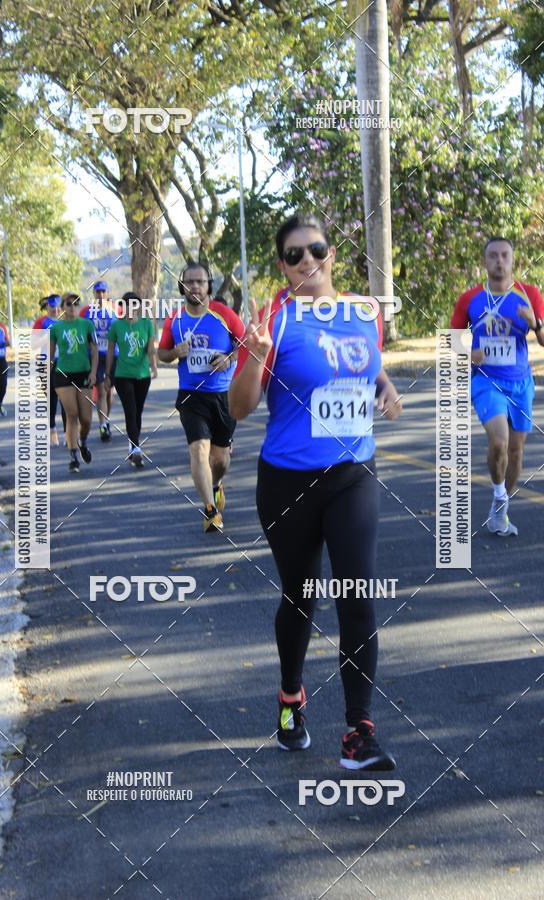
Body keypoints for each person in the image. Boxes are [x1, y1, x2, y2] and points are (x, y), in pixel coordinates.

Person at [229, 213, 402, 769]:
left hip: (353, 474)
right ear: (282, 266)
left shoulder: (361, 313)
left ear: (332, 255)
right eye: (295, 255)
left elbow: (365, 365)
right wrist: (253, 358)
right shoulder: (273, 321)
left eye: (317, 250)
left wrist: (386, 387)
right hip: (287, 483)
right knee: (300, 596)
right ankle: (289, 696)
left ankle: (360, 731)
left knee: (357, 594)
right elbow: (239, 408)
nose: (309, 262)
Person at [451, 237, 544, 536]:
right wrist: (468, 353)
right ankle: (499, 494)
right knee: (500, 442)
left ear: (513, 260)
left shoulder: (529, 294)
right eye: (493, 256)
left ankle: (500, 506)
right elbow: (451, 339)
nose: (499, 261)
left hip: (520, 383)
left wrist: (537, 325)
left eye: (505, 256)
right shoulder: (470, 298)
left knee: (515, 454)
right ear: (485, 261)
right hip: (486, 381)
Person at [158, 262, 245, 532]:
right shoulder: (175, 319)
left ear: (209, 285)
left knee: (220, 460)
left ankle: (216, 484)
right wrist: (175, 353)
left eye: (200, 282)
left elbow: (244, 344)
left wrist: (228, 358)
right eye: (190, 282)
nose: (195, 286)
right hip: (191, 396)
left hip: (223, 395)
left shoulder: (224, 315)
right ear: (183, 285)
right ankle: (210, 510)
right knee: (198, 450)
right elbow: (161, 353)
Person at [106, 292, 157, 468]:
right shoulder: (116, 326)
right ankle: (136, 449)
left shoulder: (146, 324)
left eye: (134, 304)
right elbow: (111, 351)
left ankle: (133, 445)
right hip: (122, 375)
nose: (130, 308)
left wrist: (154, 366)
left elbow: (150, 348)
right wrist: (107, 373)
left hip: (142, 375)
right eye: (127, 304)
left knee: (138, 413)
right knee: (130, 410)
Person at [49, 293, 98, 473]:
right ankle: (73, 456)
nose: (72, 307)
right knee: (72, 414)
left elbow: (94, 351)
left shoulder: (87, 325)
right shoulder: (56, 328)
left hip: (83, 374)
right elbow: (50, 355)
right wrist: (46, 377)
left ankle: (82, 442)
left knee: (86, 419)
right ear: (62, 307)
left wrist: (93, 372)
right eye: (69, 304)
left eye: (76, 304)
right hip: (63, 375)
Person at [80, 280, 116, 442]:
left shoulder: (115, 311)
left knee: (109, 393)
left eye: (103, 292)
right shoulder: (86, 312)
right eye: (98, 292)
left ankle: (105, 420)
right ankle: (103, 425)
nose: (101, 295)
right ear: (94, 294)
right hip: (94, 356)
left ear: (107, 294)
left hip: (112, 355)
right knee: (101, 391)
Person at [33, 294, 66, 445]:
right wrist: (47, 337)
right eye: (52, 307)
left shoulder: (66, 320)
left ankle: (67, 432)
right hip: (46, 363)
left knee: (66, 398)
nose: (56, 310)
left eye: (58, 307)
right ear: (47, 307)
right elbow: (33, 344)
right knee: (51, 399)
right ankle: (52, 429)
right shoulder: (41, 322)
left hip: (65, 363)